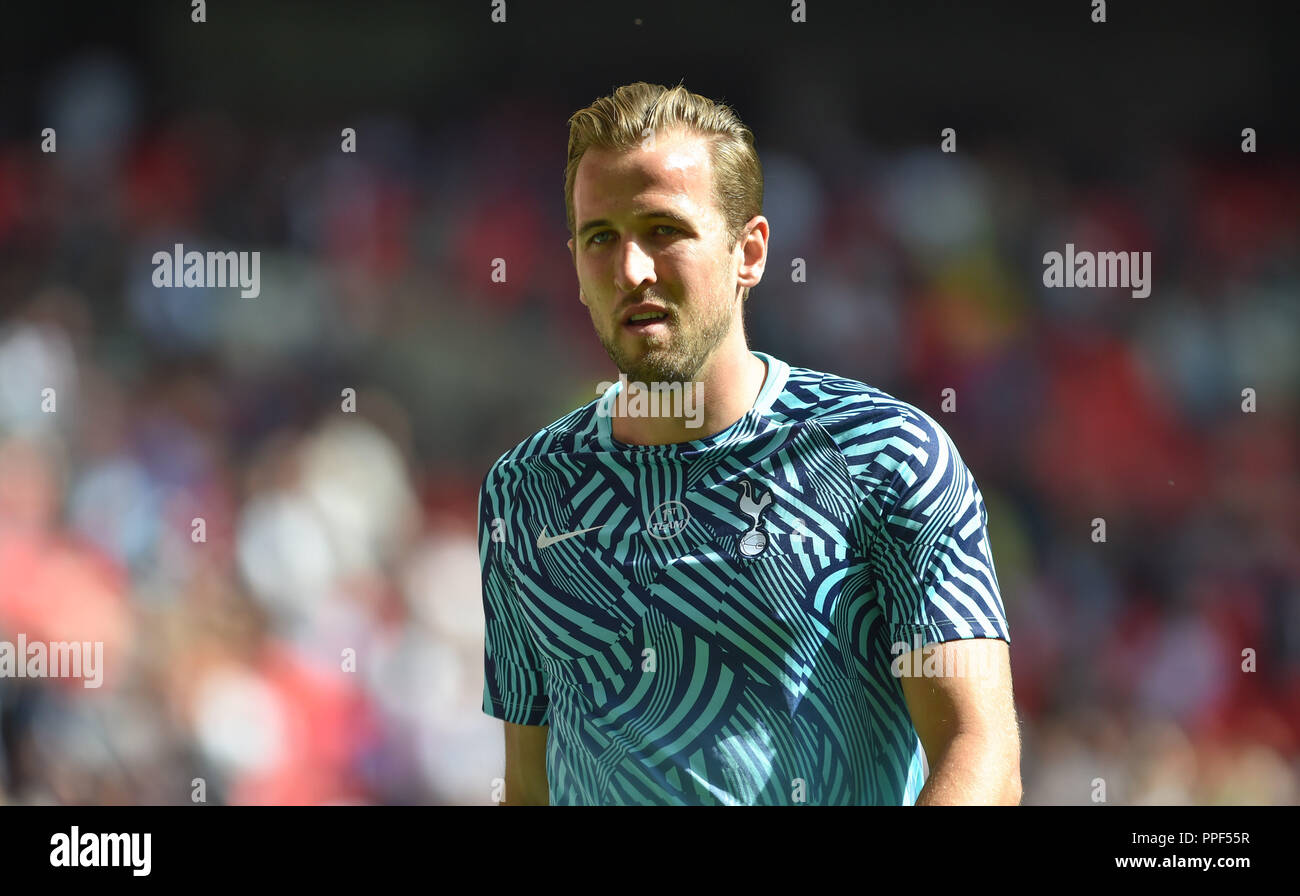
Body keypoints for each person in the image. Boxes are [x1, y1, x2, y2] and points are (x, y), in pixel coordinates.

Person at [479, 81, 1019, 805]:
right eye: (601, 237)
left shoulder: (883, 453)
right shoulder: (525, 491)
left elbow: (979, 748)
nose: (631, 270)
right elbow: (527, 785)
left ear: (750, 251)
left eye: (664, 229)